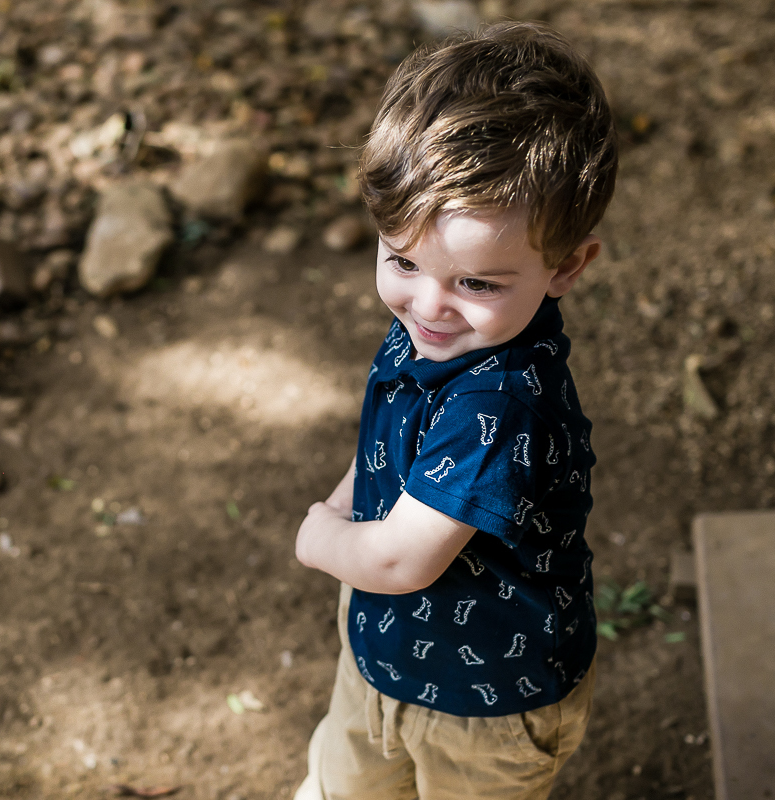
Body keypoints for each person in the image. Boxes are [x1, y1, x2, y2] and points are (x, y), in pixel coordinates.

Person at [292, 21, 619, 800]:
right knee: (342, 781)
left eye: (478, 283)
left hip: (490, 704)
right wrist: (347, 503)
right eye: (402, 260)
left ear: (568, 265)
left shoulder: (503, 403)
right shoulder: (435, 331)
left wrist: (319, 534)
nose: (429, 305)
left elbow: (404, 559)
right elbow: (386, 439)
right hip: (386, 657)